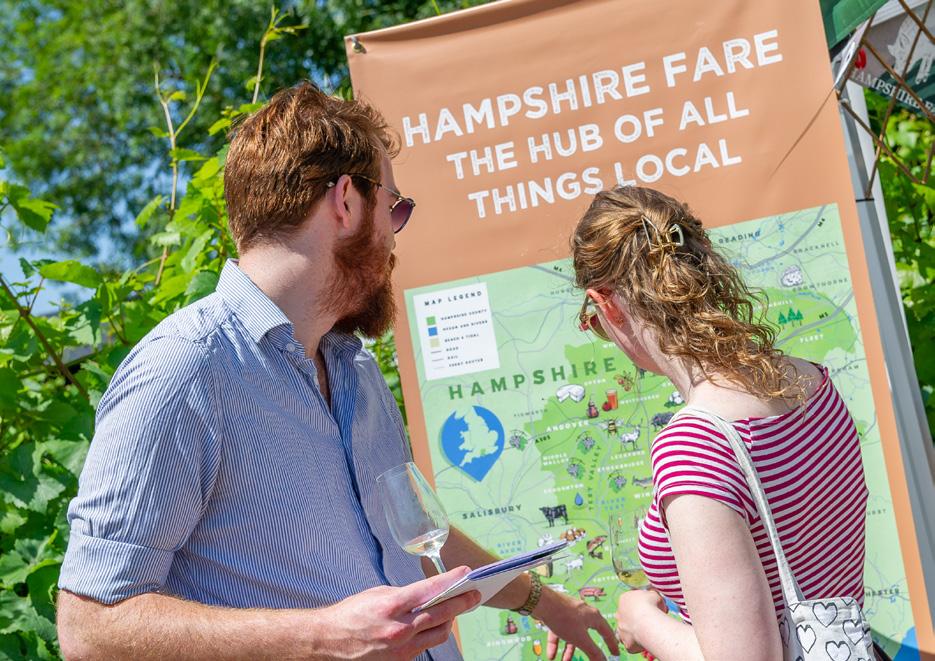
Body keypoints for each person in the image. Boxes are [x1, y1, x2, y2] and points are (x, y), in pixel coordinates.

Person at [55, 82, 619, 661]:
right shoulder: (183, 371)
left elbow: (417, 542)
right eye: (394, 208)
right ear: (346, 201)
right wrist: (325, 636)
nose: (395, 235)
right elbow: (89, 627)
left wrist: (542, 601)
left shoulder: (356, 370)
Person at [571, 186, 869, 661]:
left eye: (594, 321)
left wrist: (642, 620)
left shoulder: (696, 444)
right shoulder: (811, 380)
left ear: (606, 303)